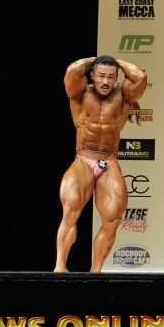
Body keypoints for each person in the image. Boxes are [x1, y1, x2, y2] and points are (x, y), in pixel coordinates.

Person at [54, 55, 147, 272]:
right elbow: (72, 70)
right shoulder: (79, 93)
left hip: (109, 161)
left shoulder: (124, 95)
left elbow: (140, 78)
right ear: (92, 76)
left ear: (117, 78)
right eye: (101, 76)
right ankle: (60, 267)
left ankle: (96, 273)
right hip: (83, 159)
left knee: (112, 221)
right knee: (70, 211)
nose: (106, 82)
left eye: (111, 77)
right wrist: (94, 59)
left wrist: (117, 61)